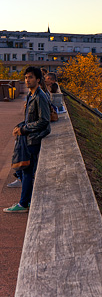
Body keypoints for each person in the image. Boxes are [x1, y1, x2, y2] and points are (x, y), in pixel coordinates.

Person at [6, 68, 55, 212]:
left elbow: (44, 121)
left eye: (31, 77)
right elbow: (30, 119)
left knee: (26, 171)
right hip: (29, 137)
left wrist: (24, 129)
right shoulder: (31, 95)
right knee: (22, 170)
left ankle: (23, 204)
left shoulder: (40, 96)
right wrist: (20, 126)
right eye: (26, 77)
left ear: (38, 80)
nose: (27, 80)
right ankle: (27, 200)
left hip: (34, 138)